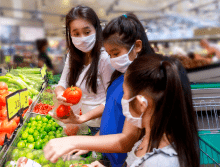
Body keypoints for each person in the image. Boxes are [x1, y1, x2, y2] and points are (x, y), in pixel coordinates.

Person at [45, 13, 155, 167]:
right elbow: (111, 113)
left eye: (116, 53)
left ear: (137, 46)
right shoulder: (121, 76)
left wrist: (75, 142)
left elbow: (129, 140)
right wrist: (90, 141)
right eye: (110, 54)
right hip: (112, 157)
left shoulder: (143, 82)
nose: (112, 60)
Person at [53, 5, 114, 136]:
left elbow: (111, 100)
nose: (82, 38)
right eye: (76, 34)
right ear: (70, 35)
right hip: (81, 120)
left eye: (87, 32)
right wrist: (60, 95)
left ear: (96, 30)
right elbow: (62, 83)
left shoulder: (105, 58)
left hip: (101, 126)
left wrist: (81, 119)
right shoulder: (72, 56)